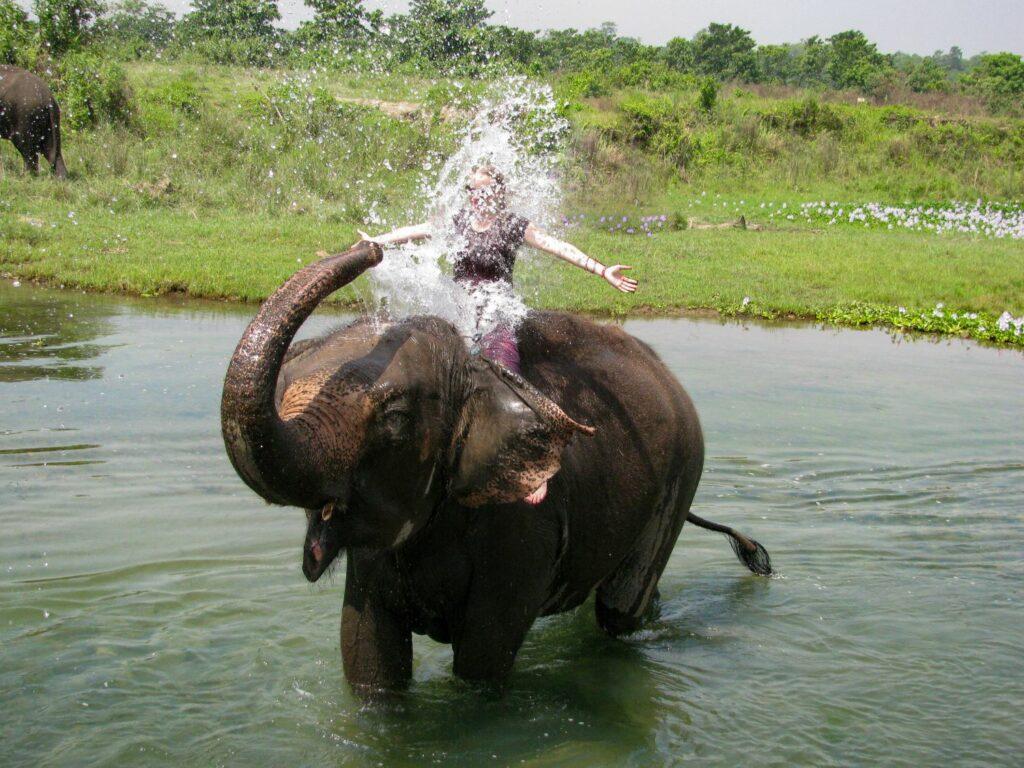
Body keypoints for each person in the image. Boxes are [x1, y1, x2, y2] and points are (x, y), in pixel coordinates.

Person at [356, 164, 637, 504]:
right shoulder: (458, 222)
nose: (478, 197)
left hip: (497, 312)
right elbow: (415, 232)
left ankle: (531, 465)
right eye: (473, 191)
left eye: (485, 190)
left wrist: (601, 269)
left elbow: (557, 246)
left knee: (505, 376)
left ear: (499, 193)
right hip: (458, 311)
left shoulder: (513, 225)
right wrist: (375, 242)